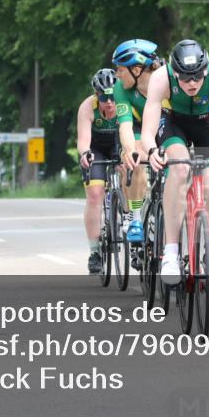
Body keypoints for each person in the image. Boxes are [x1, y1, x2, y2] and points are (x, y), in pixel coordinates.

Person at [140, 39, 209, 289]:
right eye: (184, 78)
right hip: (173, 123)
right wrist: (151, 151)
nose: (191, 84)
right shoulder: (161, 78)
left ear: (205, 71)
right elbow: (148, 130)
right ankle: (170, 252)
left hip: (207, 124)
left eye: (196, 78)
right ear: (175, 73)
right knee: (180, 169)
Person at [112, 38, 161, 249]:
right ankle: (135, 217)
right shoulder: (121, 89)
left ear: (137, 69)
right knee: (136, 159)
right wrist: (130, 151)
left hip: (164, 126)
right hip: (137, 128)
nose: (117, 74)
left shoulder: (165, 81)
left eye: (120, 69)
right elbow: (125, 126)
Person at [77, 68, 120, 274]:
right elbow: (83, 140)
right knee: (95, 195)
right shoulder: (88, 107)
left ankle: (132, 222)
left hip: (119, 144)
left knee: (129, 169)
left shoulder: (124, 104)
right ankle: (95, 252)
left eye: (112, 96)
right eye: (104, 97)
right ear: (97, 95)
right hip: (96, 149)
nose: (109, 102)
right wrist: (85, 153)